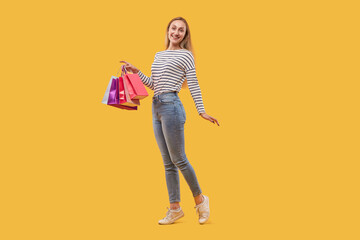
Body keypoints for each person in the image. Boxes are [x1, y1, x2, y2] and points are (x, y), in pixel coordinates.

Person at [120, 17, 219, 225]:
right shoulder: (159, 55)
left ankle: (201, 201)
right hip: (156, 106)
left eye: (181, 30)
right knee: (168, 163)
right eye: (173, 28)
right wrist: (137, 73)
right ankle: (175, 208)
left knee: (179, 159)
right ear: (167, 31)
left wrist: (202, 111)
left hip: (172, 106)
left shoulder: (186, 55)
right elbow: (155, 85)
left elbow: (193, 83)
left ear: (185, 35)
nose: (176, 32)